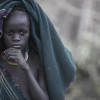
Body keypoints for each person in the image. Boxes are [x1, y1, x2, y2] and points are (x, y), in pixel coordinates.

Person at [0, 0, 77, 100]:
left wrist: (25, 68)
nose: (16, 38)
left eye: (22, 32)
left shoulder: (36, 61)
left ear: (30, 33)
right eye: (10, 33)